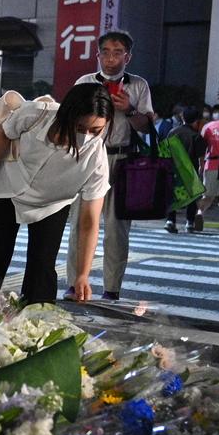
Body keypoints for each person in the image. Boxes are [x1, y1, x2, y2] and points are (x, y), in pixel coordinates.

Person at [0, 85, 112, 302]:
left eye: (96, 130)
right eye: (81, 128)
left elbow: (89, 221)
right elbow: (3, 134)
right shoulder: (36, 114)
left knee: (42, 265)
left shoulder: (96, 158)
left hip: (52, 203)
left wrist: (82, 275)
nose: (87, 137)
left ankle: (36, 324)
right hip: (10, 186)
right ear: (67, 115)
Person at [64, 30, 153, 301]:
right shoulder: (85, 81)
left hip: (122, 159)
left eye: (118, 53)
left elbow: (148, 126)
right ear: (98, 54)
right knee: (80, 221)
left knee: (117, 228)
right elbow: (69, 118)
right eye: (106, 52)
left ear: (128, 56)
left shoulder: (138, 85)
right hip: (89, 156)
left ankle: (111, 289)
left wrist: (130, 109)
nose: (111, 59)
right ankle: (74, 284)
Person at [164, 105, 207, 233]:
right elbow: (201, 158)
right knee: (192, 198)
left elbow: (166, 152)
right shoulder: (196, 136)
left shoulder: (172, 132)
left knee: (172, 196)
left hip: (173, 169)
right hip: (190, 170)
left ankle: (170, 221)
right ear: (196, 121)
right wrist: (201, 170)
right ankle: (189, 223)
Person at [196, 101, 219, 235]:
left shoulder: (208, 126)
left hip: (211, 163)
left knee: (207, 196)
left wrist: (201, 165)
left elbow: (200, 148)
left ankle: (200, 212)